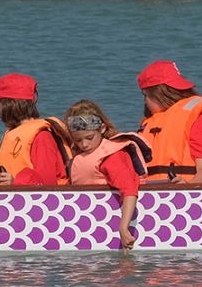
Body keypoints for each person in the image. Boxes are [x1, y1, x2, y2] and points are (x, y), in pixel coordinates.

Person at [64, 99, 150, 250]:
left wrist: (124, 228)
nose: (84, 144)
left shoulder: (111, 156)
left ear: (102, 128)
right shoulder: (80, 156)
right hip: (85, 223)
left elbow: (129, 190)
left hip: (109, 223)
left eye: (89, 138)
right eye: (78, 140)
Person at [136, 60, 202, 183]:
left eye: (145, 95)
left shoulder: (199, 117)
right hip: (150, 191)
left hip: (185, 193)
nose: (145, 102)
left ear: (158, 94)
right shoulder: (149, 122)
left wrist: (186, 188)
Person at [0, 73, 70, 185]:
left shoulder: (42, 137)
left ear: (10, 105)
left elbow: (47, 183)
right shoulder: (15, 133)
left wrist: (15, 183)